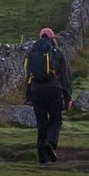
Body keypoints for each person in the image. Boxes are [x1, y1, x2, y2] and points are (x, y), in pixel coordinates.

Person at [23, 26, 72, 163]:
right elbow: (65, 77)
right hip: (53, 88)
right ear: (52, 38)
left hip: (36, 90)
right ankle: (50, 143)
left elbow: (28, 77)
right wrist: (68, 97)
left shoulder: (32, 53)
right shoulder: (57, 52)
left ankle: (42, 159)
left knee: (41, 123)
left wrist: (29, 97)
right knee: (56, 118)